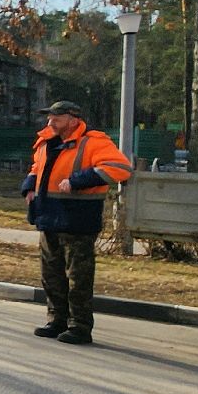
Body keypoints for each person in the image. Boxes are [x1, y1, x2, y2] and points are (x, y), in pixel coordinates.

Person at [21, 100, 132, 345]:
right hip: (48, 217)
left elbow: (120, 168)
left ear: (73, 120)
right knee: (51, 275)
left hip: (77, 220)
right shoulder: (47, 141)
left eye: (56, 118)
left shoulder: (94, 142)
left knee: (78, 277)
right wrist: (29, 186)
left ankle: (79, 327)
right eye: (49, 117)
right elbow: (37, 168)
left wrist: (78, 180)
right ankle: (56, 321)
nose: (50, 122)